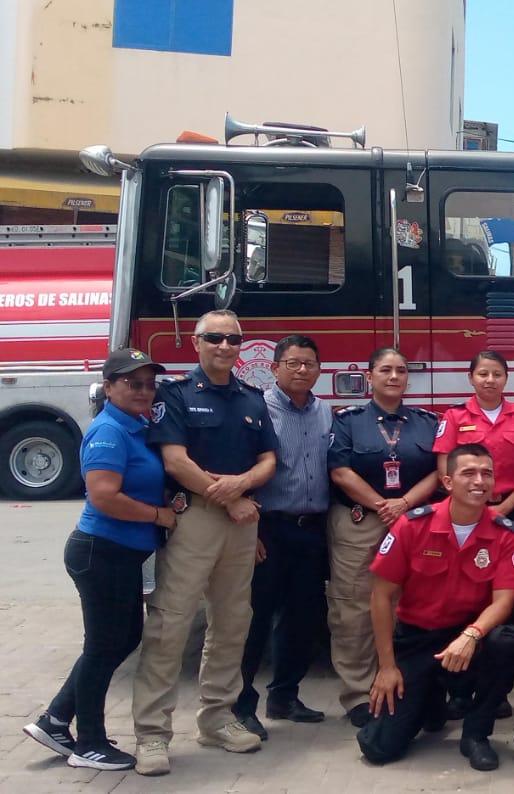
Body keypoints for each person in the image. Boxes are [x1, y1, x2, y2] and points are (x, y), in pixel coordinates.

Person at [132, 311, 279, 776]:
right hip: (194, 518)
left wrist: (242, 486)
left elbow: (269, 460)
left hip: (242, 520)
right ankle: (152, 734)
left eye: (233, 339)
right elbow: (175, 461)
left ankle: (217, 718)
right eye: (214, 338)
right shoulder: (175, 395)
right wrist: (229, 498)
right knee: (170, 623)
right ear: (196, 342)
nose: (224, 346)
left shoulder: (252, 397)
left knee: (233, 622)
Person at [24, 349, 174, 771]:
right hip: (101, 552)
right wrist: (159, 515)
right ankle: (88, 743)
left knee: (124, 639)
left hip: (121, 555)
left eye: (149, 384)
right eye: (132, 383)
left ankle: (55, 720)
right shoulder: (108, 430)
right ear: (108, 387)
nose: (143, 391)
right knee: (101, 647)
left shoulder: (137, 425)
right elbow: (105, 496)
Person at [357, 444, 514, 771]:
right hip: (418, 638)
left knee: (505, 640)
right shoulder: (412, 525)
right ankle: (430, 699)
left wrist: (472, 635)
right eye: (468, 473)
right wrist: (387, 667)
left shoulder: (506, 532)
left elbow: (504, 601)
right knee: (378, 747)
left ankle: (476, 735)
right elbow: (381, 596)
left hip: (469, 637)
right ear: (447, 482)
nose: (479, 481)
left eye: (487, 474)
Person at [327, 348, 441, 728]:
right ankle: (358, 693)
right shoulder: (348, 421)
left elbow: (440, 472)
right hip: (360, 522)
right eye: (386, 370)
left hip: (414, 523)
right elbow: (340, 471)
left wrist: (404, 504)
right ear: (370, 376)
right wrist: (383, 506)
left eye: (401, 371)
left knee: (411, 605)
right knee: (354, 607)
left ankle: (406, 687)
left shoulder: (427, 422)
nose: (394, 377)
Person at [235, 335, 333, 740]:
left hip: (311, 530)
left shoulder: (325, 412)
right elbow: (241, 468)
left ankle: (284, 697)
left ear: (319, 370)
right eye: (293, 363)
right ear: (274, 368)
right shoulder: (257, 410)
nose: (302, 370)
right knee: (255, 620)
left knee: (303, 618)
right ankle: (241, 706)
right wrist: (251, 532)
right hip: (269, 529)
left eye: (309, 363)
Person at [435, 350, 514, 555]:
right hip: (467, 506)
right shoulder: (454, 416)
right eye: (483, 374)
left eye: (497, 374)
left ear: (506, 378)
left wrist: (506, 507)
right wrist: (470, 503)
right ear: (471, 378)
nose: (490, 380)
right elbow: (444, 468)